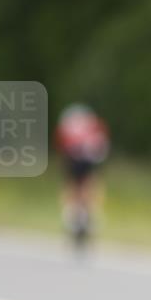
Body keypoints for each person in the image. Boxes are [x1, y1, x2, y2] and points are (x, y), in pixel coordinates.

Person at [54, 104, 110, 247]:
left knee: (76, 185)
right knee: (86, 183)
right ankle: (83, 215)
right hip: (85, 158)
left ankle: (76, 215)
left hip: (79, 158)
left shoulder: (73, 123)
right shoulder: (92, 124)